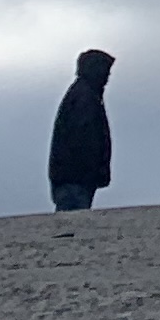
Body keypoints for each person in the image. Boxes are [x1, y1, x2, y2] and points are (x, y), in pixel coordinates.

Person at [48, 49, 115, 212]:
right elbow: (85, 140)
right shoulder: (84, 98)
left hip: (74, 178)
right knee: (73, 219)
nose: (107, 77)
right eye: (105, 71)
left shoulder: (83, 95)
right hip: (76, 179)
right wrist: (94, 171)